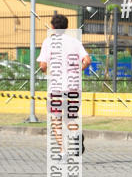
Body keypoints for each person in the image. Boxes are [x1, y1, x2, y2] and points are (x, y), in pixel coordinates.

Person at [37, 13, 91, 155]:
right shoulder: (75, 42)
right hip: (74, 87)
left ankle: (62, 150)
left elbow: (43, 65)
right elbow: (87, 60)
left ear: (53, 27)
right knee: (69, 116)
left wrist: (46, 71)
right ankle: (76, 135)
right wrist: (78, 70)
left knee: (56, 118)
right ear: (66, 27)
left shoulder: (48, 42)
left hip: (56, 87)